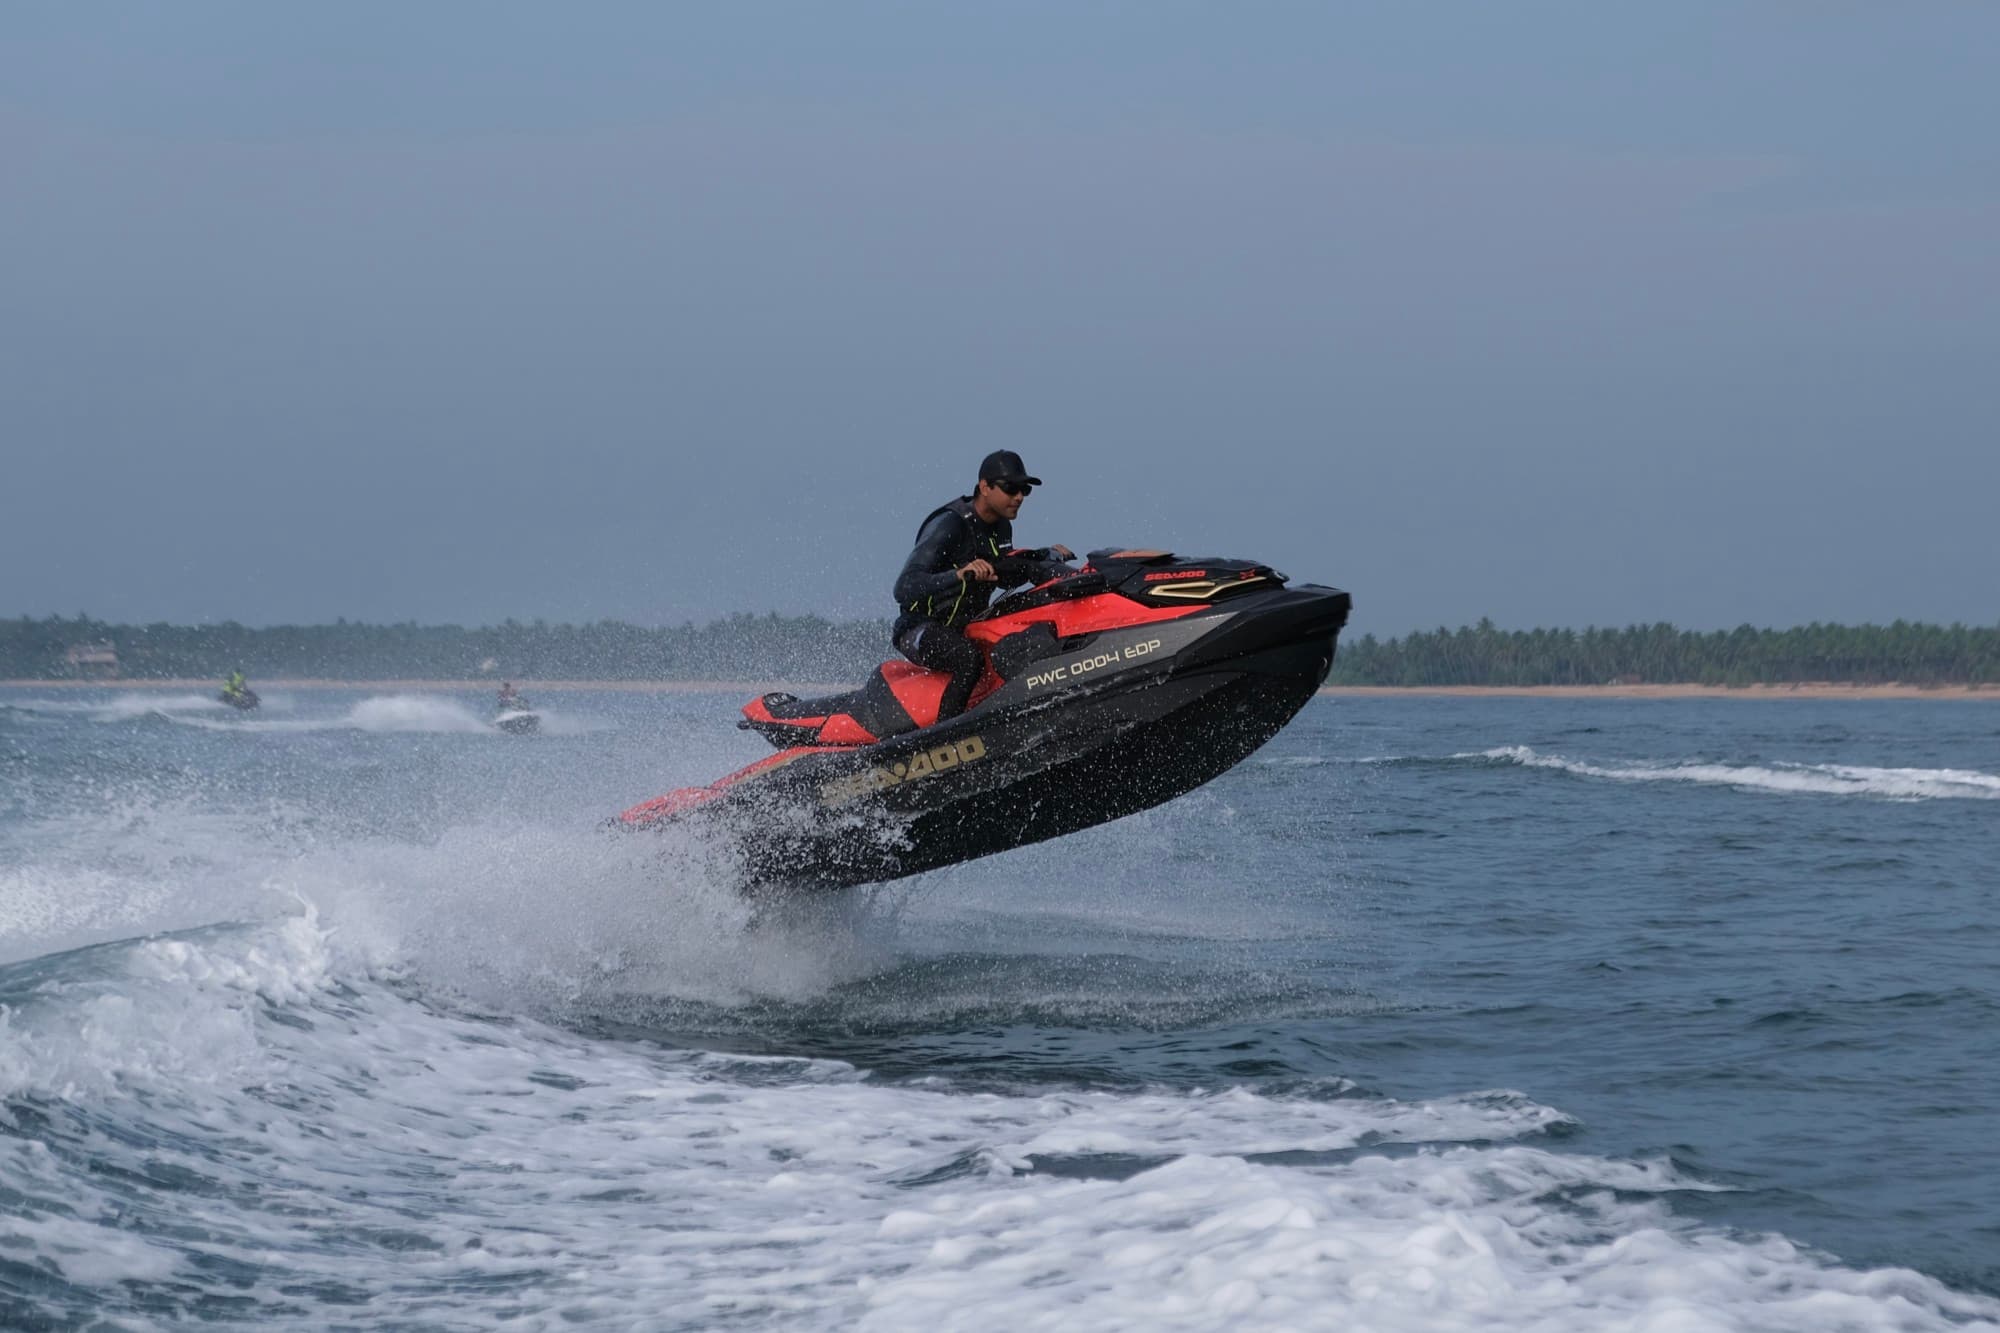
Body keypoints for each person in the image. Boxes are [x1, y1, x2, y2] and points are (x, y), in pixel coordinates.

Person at [892, 450, 1074, 721]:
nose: (1019, 497)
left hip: (964, 629)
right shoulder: (950, 525)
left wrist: (1045, 556)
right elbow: (904, 587)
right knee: (968, 659)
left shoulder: (1001, 526)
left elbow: (1004, 571)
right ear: (985, 487)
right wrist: (958, 574)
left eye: (1024, 490)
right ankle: (946, 735)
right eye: (1011, 488)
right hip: (918, 629)